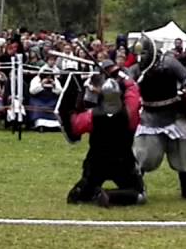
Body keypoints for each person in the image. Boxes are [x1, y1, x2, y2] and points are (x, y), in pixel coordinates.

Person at [59, 62, 145, 206]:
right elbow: (133, 90)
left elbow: (75, 126)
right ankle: (110, 196)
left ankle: (90, 191)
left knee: (79, 194)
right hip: (122, 162)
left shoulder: (91, 116)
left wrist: (76, 107)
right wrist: (122, 77)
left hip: (97, 163)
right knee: (139, 194)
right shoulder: (130, 114)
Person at [134, 38, 186, 200]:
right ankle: (136, 187)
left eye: (144, 53)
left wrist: (185, 92)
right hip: (150, 117)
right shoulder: (138, 69)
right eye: (138, 54)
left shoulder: (169, 63)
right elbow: (126, 83)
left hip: (174, 114)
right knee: (143, 155)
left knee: (184, 153)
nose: (141, 57)